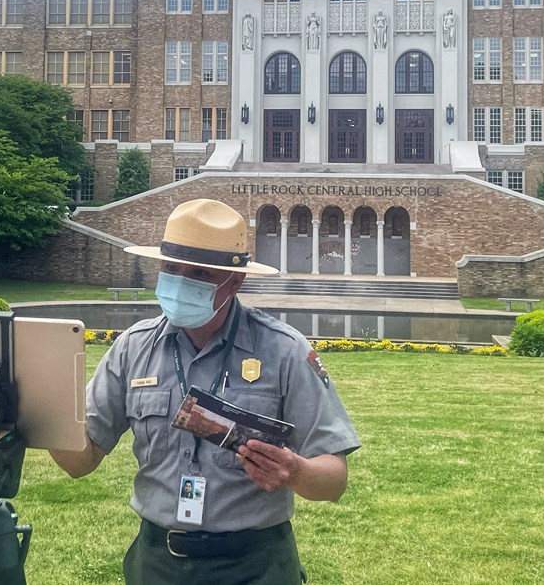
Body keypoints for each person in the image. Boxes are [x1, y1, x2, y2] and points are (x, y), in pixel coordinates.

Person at [50, 198, 361, 584]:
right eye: (171, 268)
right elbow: (81, 461)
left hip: (255, 565)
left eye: (199, 273)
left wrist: (294, 470)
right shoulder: (133, 347)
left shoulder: (285, 351)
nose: (180, 281)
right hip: (156, 563)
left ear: (235, 281)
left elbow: (334, 480)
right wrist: (43, 410)